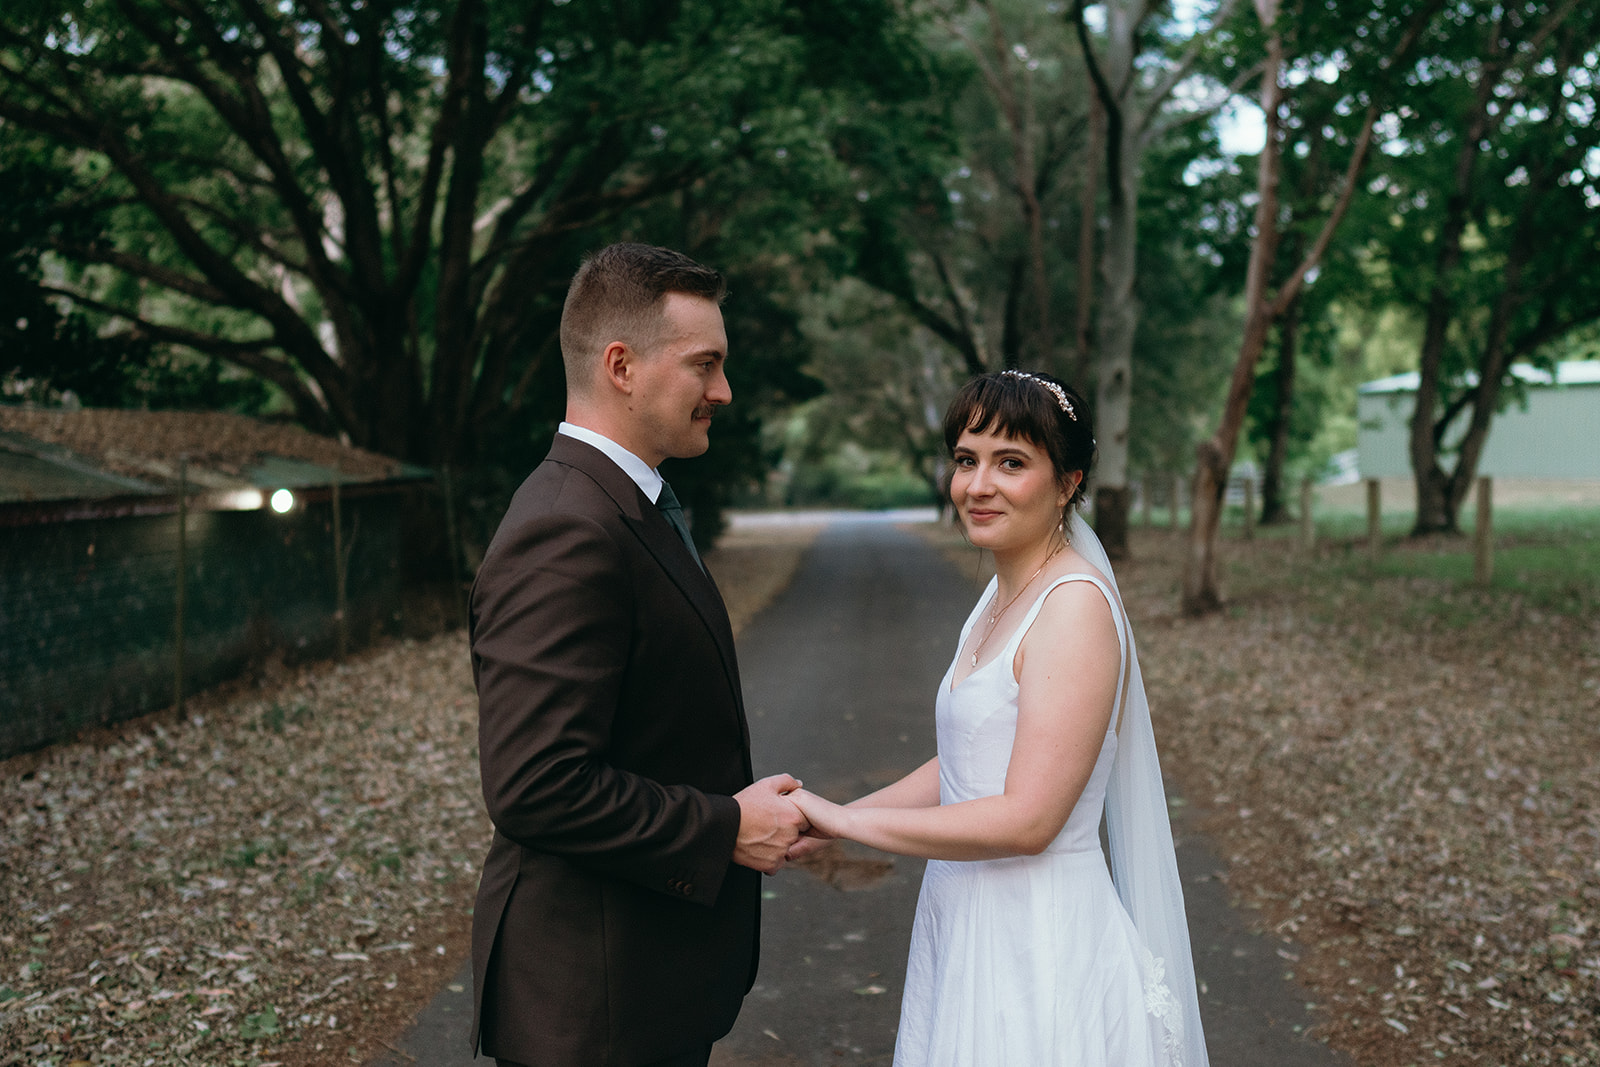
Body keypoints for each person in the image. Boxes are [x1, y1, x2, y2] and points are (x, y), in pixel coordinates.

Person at [788, 370, 1208, 1066]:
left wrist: (851, 825)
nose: (977, 484)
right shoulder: (998, 593)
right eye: (965, 459)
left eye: (1011, 462)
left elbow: (1029, 818)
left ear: (1068, 481)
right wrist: (828, 814)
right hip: (965, 916)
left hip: (1039, 939)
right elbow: (965, 760)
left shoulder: (1073, 607)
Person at [467, 242, 809, 1067]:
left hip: (641, 983)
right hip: (592, 1009)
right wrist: (726, 825)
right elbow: (535, 785)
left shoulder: (626, 502)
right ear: (621, 365)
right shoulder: (566, 527)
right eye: (706, 365)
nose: (723, 391)